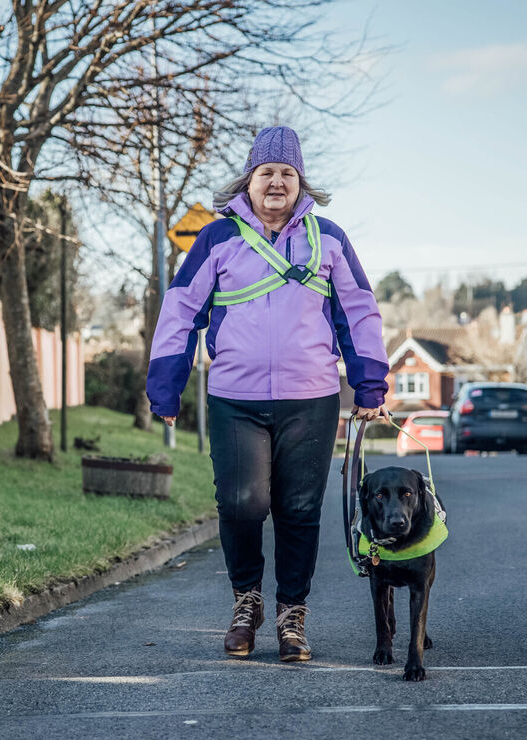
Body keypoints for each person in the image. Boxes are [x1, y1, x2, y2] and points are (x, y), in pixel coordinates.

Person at [146, 126, 390, 662]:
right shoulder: (217, 237)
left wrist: (369, 382)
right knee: (241, 505)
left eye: (287, 173)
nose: (276, 182)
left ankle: (291, 616)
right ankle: (246, 602)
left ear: (300, 182)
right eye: (266, 173)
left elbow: (358, 311)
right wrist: (166, 386)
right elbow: (181, 310)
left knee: (300, 509)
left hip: (312, 397)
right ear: (249, 181)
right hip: (236, 397)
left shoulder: (328, 238)